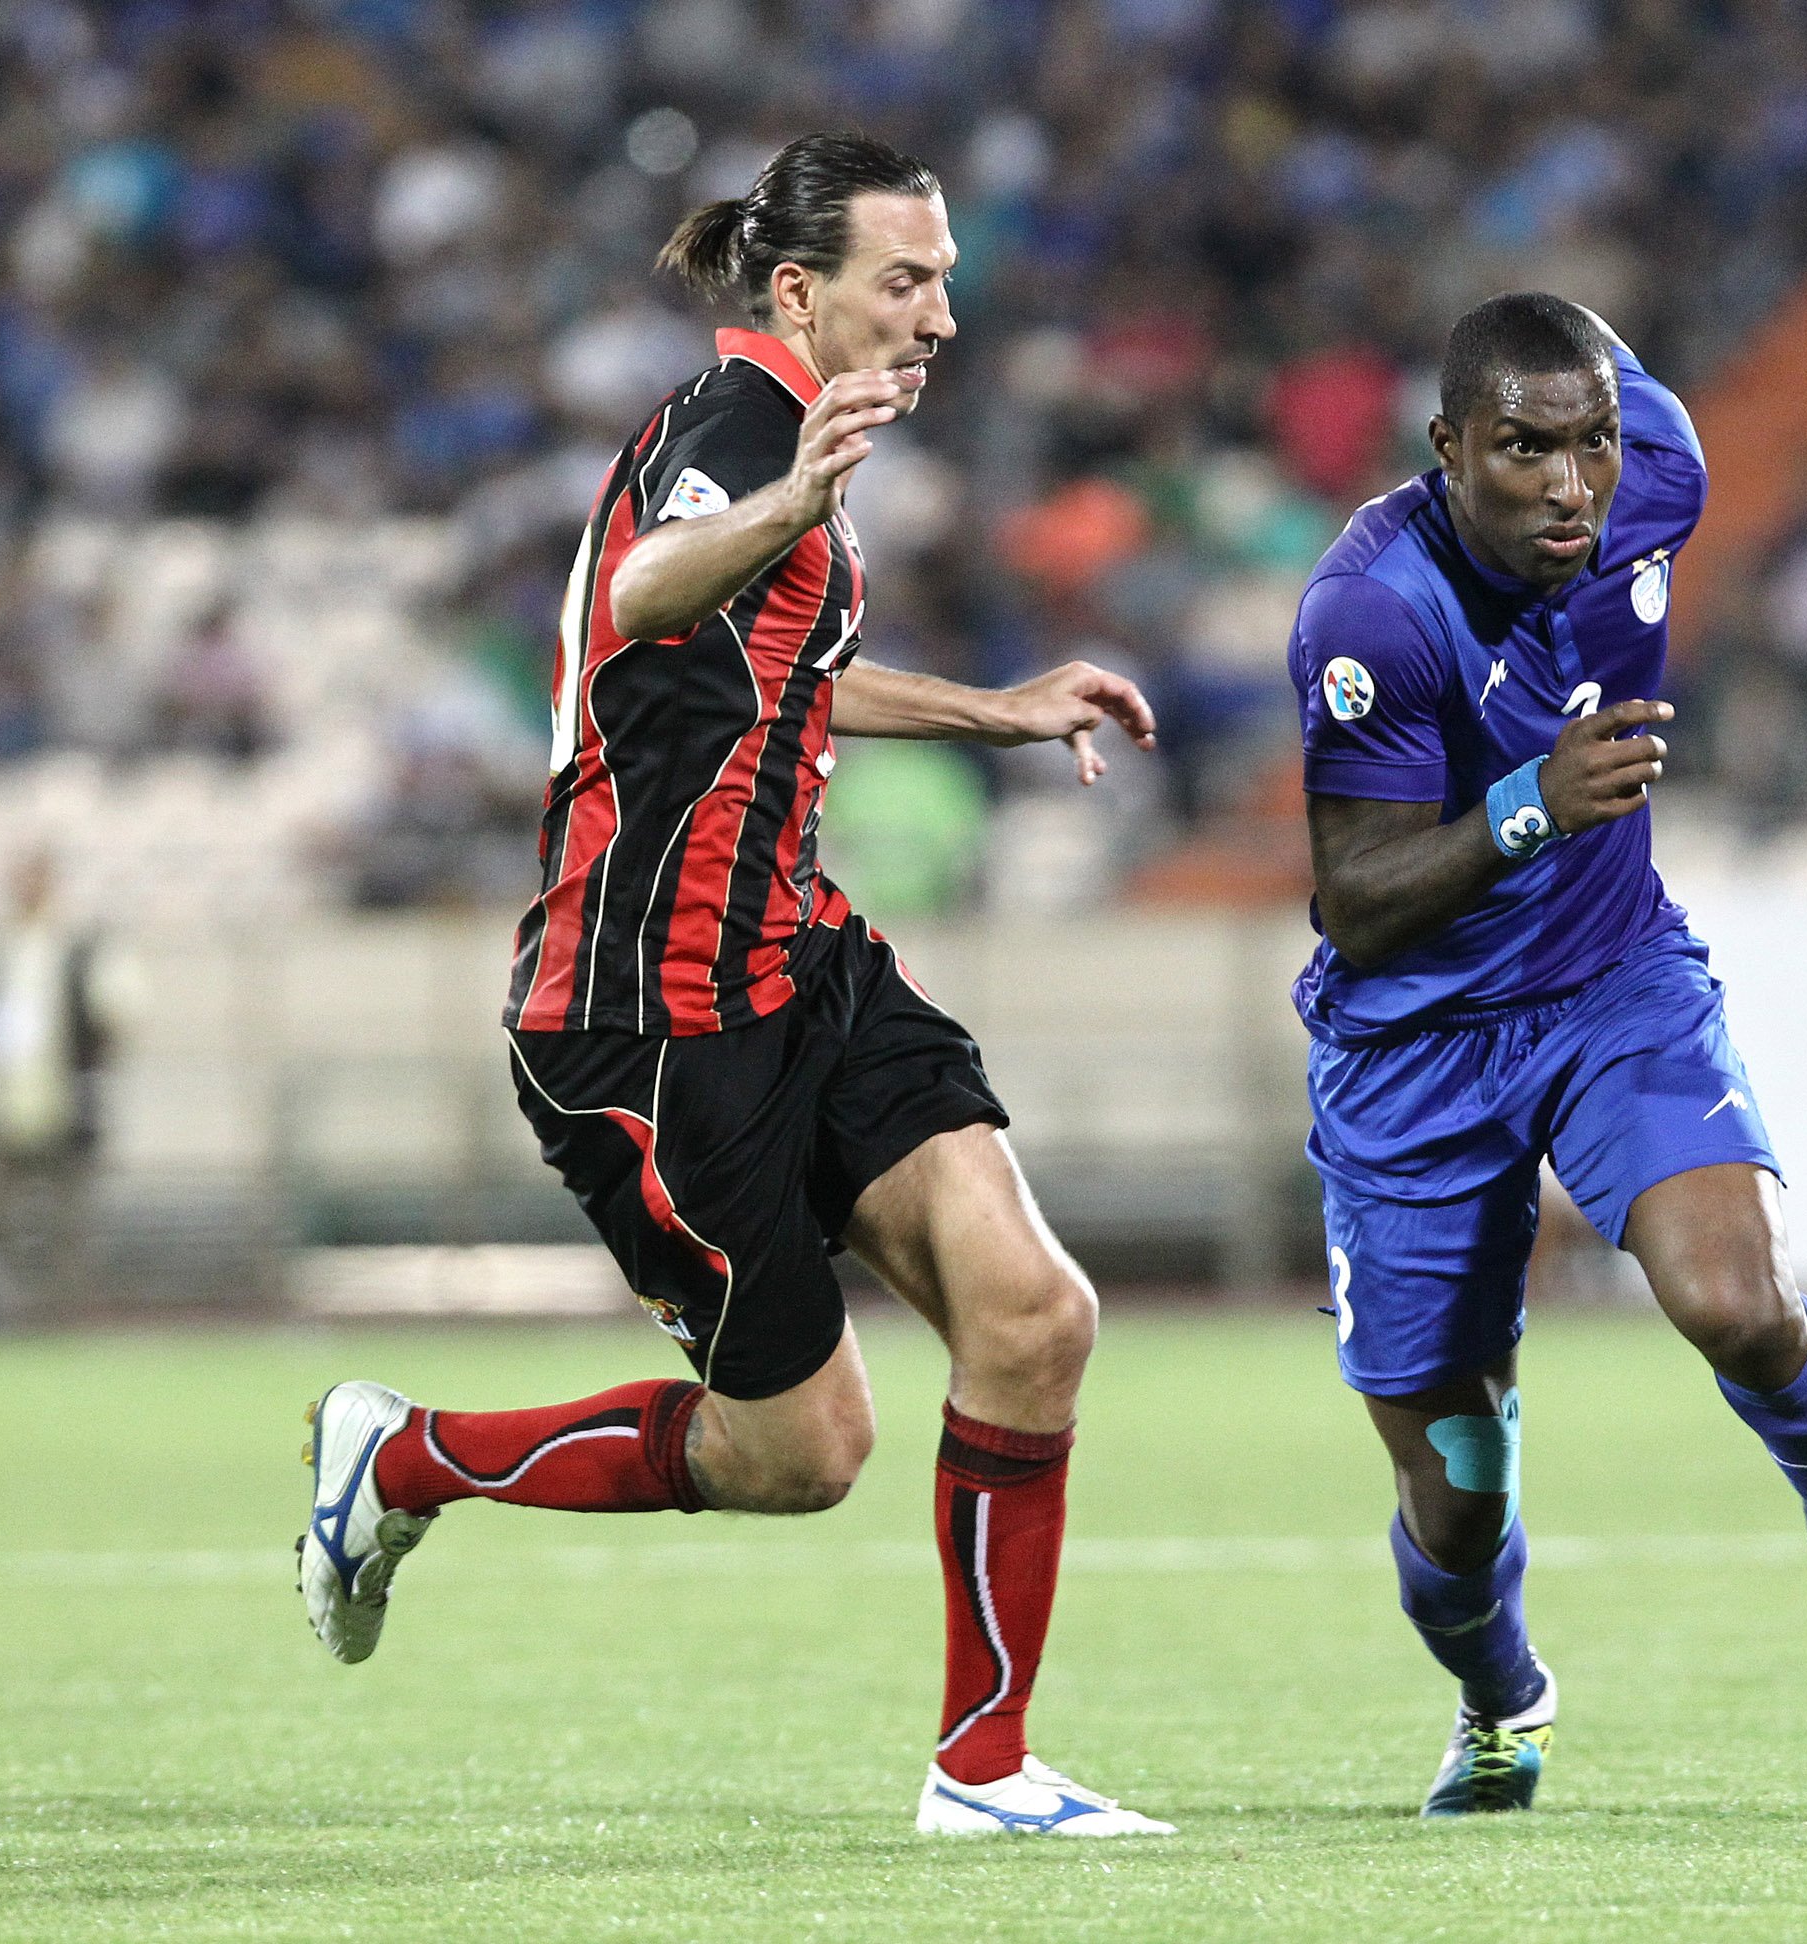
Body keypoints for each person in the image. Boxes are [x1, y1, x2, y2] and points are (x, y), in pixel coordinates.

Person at [296, 133, 1172, 1840]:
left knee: (1032, 1314)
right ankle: (402, 1457)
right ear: (798, 290)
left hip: (797, 959)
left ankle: (982, 1771)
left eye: (945, 281)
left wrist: (996, 706)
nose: (938, 316)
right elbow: (640, 594)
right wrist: (790, 503)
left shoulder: (789, 447)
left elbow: (779, 674)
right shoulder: (739, 434)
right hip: (645, 1020)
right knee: (801, 1451)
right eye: (904, 282)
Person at [1289, 293, 1807, 1818]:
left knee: (1735, 1298)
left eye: (1591, 446)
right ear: (1449, 449)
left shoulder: (1657, 473)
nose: (1572, 483)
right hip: (1412, 1052)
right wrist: (1528, 810)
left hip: (1611, 982)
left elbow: (1602, 364)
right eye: (1525, 450)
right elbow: (1353, 904)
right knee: (1455, 1489)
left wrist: (1562, 839)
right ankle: (1502, 1701)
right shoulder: (1370, 608)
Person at [0, 847, 134, 1321]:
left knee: (69, 1220)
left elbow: (117, 1013)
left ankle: (65, 1315)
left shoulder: (79, 944)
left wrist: (96, 1068)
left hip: (65, 1099)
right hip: (6, 1101)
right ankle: (4, 1316)